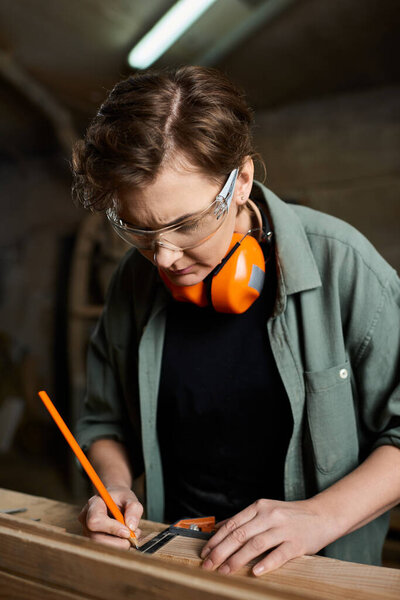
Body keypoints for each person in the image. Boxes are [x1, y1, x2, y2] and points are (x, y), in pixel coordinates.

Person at [71, 65, 400, 576]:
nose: (162, 258)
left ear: (241, 179)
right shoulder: (133, 282)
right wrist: (113, 484)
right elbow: (103, 419)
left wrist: (318, 518)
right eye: (137, 229)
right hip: (177, 556)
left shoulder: (343, 264)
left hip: (310, 571)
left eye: (185, 226)